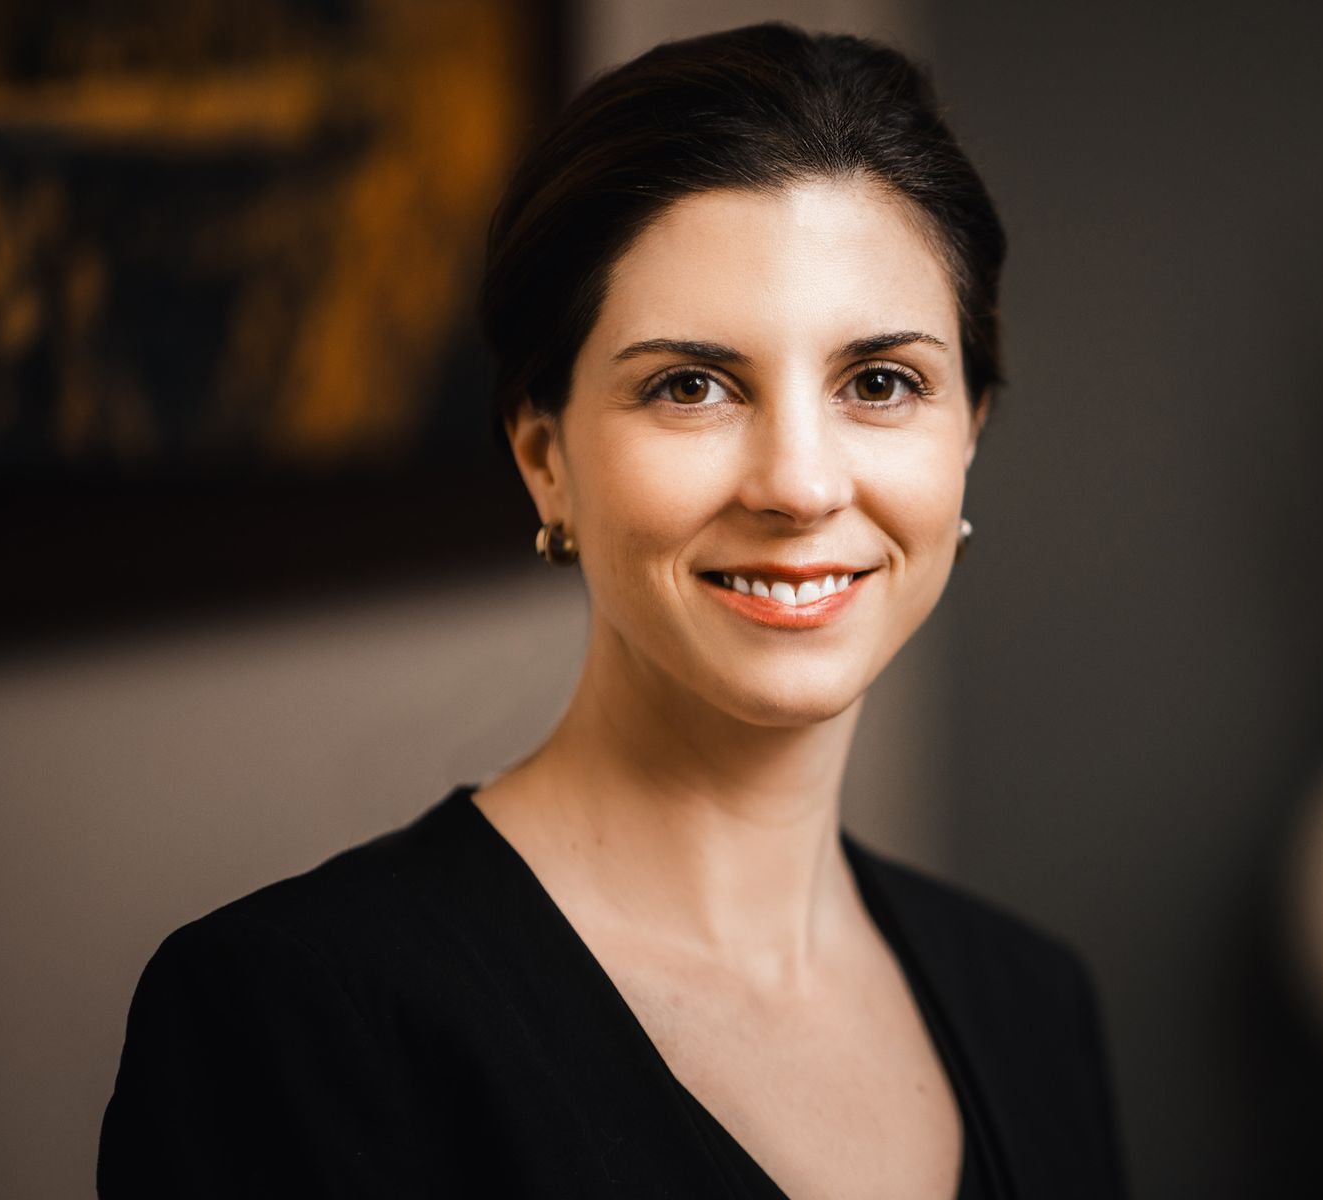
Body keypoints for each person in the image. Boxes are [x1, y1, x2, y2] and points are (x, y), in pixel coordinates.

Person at [98, 22, 1125, 1199]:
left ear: (969, 435)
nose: (798, 483)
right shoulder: (291, 1023)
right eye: (690, 386)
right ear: (545, 459)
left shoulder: (1034, 1006)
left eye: (880, 384)